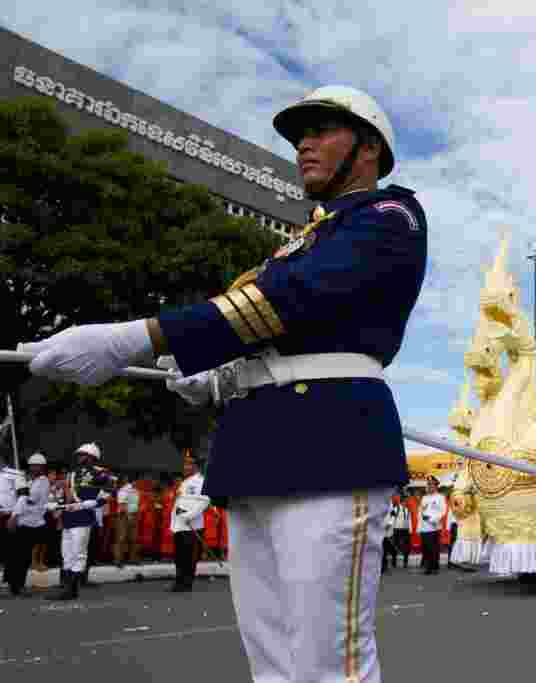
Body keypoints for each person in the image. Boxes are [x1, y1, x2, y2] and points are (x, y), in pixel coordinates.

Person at [20, 84, 428, 682]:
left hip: (330, 441)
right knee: (271, 665)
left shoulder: (391, 215)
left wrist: (135, 337)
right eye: (297, 137)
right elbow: (265, 322)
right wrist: (221, 375)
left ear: (368, 147)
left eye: (320, 131)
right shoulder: (303, 239)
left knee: (327, 666)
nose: (304, 146)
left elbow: (294, 298)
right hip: (257, 445)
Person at [49, 443, 114, 601]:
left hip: (83, 516)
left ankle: (71, 589)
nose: (79, 457)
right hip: (68, 517)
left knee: (79, 553)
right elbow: (66, 495)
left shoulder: (100, 473)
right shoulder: (72, 474)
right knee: (66, 554)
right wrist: (56, 505)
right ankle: (65, 587)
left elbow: (110, 491)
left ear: (92, 457)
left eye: (83, 455)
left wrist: (94, 503)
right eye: (79, 455)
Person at [5, 453, 50, 597]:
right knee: (15, 555)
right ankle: (13, 584)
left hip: (32, 524)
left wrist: (14, 516)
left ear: (42, 467)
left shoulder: (42, 482)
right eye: (31, 465)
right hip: (22, 523)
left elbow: (27, 500)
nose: (33, 468)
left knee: (22, 557)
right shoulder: (30, 481)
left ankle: (18, 585)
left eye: (36, 466)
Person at [170, 456, 209, 592]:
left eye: (189, 464)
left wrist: (188, 516)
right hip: (180, 526)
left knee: (189, 557)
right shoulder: (185, 482)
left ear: (196, 467)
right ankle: (179, 582)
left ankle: (187, 583)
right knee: (179, 556)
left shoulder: (200, 481)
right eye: (185, 464)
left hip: (191, 526)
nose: (185, 467)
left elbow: (204, 501)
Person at [418, 476, 445, 575]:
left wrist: (432, 519)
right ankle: (429, 567)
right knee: (426, 548)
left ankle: (433, 567)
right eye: (428, 485)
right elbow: (420, 512)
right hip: (424, 527)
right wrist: (419, 527)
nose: (429, 487)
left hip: (434, 526)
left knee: (434, 548)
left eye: (431, 485)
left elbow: (442, 511)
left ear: (436, 486)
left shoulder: (440, 497)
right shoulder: (424, 497)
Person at [114, 476, 141, 566]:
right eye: (137, 481)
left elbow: (136, 503)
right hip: (124, 516)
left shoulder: (136, 490)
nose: (138, 483)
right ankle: (118, 560)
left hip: (133, 514)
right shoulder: (124, 490)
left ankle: (133, 559)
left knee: (134, 538)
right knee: (121, 538)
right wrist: (129, 515)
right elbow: (122, 504)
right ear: (133, 481)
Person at [392, 493, 412, 568]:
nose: (406, 502)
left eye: (407, 501)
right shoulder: (396, 509)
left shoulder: (407, 509)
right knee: (395, 545)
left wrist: (410, 529)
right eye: (405, 501)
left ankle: (405, 562)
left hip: (405, 529)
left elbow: (408, 519)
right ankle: (394, 561)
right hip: (397, 529)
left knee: (407, 546)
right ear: (401, 501)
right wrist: (391, 528)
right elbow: (392, 519)